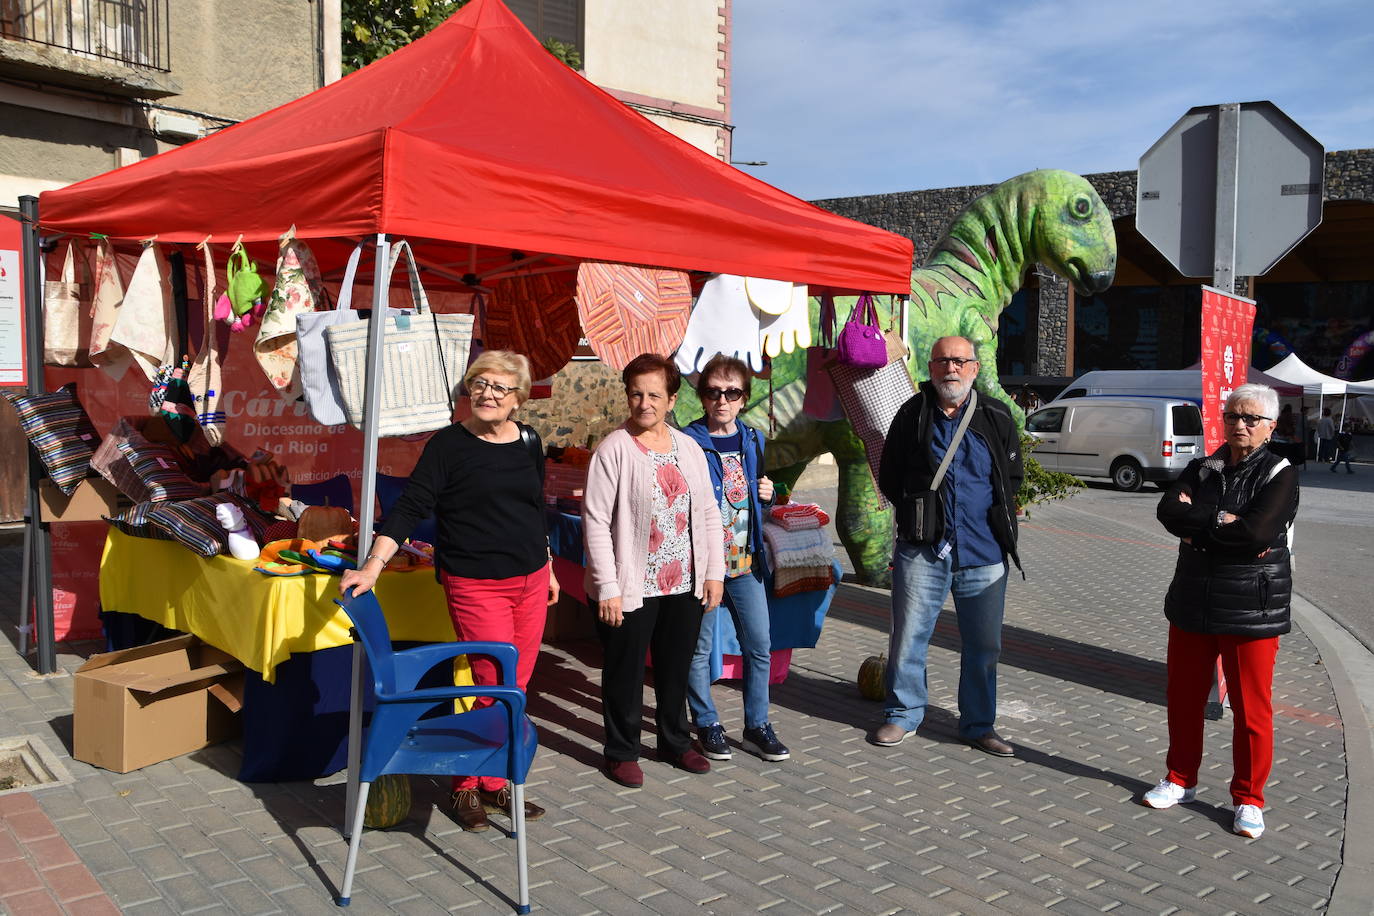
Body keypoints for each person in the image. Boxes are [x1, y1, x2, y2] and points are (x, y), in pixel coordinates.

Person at [340, 350, 558, 833]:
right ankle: (464, 785)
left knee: (516, 687)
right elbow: (411, 505)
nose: (488, 394)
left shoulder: (529, 442)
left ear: (518, 399)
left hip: (531, 580)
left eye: (501, 387)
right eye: (480, 384)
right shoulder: (448, 446)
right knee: (489, 683)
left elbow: (533, 507)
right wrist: (373, 564)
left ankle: (494, 779)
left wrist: (548, 565)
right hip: (476, 584)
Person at [1144, 383, 1299, 840]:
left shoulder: (1281, 472)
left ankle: (1249, 799)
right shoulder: (1203, 465)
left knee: (1253, 710)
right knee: (1184, 698)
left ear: (1270, 426)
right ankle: (1180, 779)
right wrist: (1222, 521)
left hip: (1252, 605)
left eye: (1251, 419)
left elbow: (1256, 535)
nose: (1240, 425)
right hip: (1193, 596)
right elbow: (1168, 510)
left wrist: (1203, 525)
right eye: (1233, 416)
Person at [872, 336, 1023, 756]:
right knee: (908, 638)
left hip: (983, 552)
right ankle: (902, 714)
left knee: (984, 645)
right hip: (923, 549)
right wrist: (918, 513)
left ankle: (978, 724)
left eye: (959, 361)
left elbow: (1012, 480)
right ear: (931, 367)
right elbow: (890, 475)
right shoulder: (911, 414)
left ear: (974, 368)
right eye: (942, 361)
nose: (951, 369)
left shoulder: (995, 415)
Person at [583, 353, 725, 788]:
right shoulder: (613, 450)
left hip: (684, 578)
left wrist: (714, 572)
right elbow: (595, 521)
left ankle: (675, 742)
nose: (644, 403)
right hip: (630, 584)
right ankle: (621, 751)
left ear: (671, 399)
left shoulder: (689, 448)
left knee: (674, 666)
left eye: (654, 395)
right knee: (624, 671)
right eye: (636, 394)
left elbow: (706, 512)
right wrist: (607, 586)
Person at [681, 355, 789, 763]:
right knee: (699, 649)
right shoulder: (688, 442)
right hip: (706, 566)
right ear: (703, 396)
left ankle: (757, 725)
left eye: (732, 393)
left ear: (744, 398)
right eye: (713, 392)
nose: (722, 400)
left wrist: (770, 493)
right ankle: (706, 722)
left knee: (759, 645)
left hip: (747, 563)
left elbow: (758, 494)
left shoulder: (753, 440)